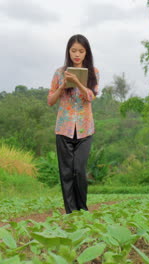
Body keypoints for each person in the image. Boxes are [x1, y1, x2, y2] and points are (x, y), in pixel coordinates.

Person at [47, 34, 99, 214]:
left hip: (85, 129)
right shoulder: (59, 73)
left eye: (81, 51)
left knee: (79, 168)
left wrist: (77, 82)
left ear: (86, 53)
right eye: (74, 50)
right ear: (68, 51)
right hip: (64, 128)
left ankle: (82, 209)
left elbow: (90, 97)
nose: (77, 54)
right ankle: (70, 212)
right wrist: (63, 86)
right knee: (66, 172)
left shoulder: (93, 72)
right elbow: (50, 101)